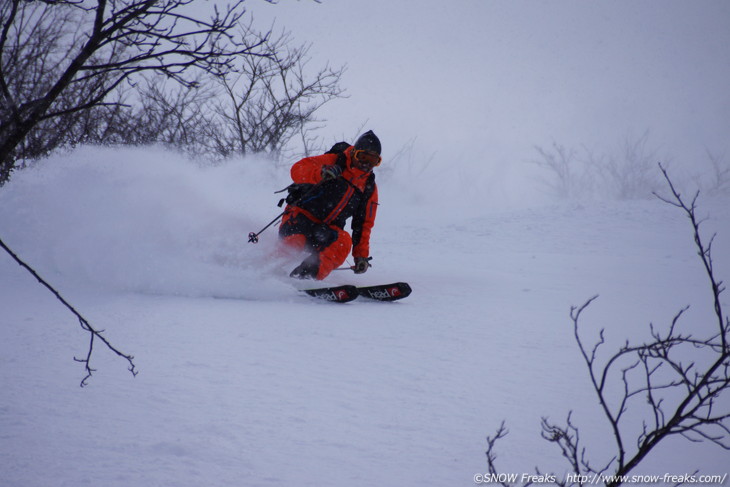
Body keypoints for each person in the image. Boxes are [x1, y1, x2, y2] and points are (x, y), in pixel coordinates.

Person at [278, 130, 382, 280]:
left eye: (372, 161)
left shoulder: (368, 188)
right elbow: (298, 169)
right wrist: (320, 172)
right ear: (353, 153)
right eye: (363, 157)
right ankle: (267, 271)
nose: (365, 164)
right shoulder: (334, 161)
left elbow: (364, 224)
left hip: (325, 230)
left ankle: (308, 276)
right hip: (300, 218)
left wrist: (361, 256)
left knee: (343, 242)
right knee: (296, 242)